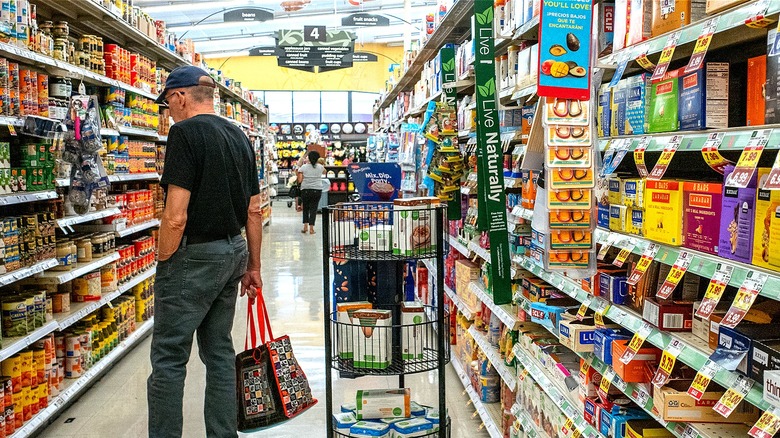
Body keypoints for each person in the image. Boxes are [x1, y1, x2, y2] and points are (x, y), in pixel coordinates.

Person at [147, 65, 263, 438]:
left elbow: (176, 215)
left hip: (194, 257)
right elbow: (253, 210)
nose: (169, 112)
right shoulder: (240, 135)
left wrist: (165, 262)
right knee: (218, 354)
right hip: (233, 253)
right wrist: (253, 266)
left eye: (167, 104)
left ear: (180, 96)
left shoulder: (183, 134)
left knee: (168, 358)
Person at [297, 150, 325, 234]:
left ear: (308, 158)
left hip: (305, 189)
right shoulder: (320, 167)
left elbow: (300, 180)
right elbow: (325, 171)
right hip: (317, 189)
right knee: (314, 208)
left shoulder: (304, 167)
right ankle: (312, 228)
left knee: (305, 208)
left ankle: (305, 227)